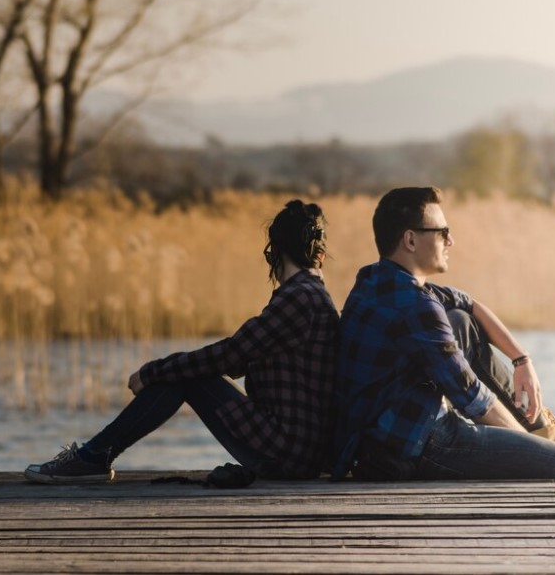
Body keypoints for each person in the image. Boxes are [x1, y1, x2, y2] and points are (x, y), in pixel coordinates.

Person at [25, 200, 339, 483]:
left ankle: (93, 456)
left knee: (185, 376)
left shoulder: (298, 299)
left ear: (275, 252)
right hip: (299, 452)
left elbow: (229, 356)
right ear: (319, 255)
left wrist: (153, 372)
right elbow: (242, 358)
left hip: (286, 454)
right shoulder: (311, 296)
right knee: (183, 371)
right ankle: (94, 456)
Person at [332, 187, 555, 510]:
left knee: (461, 319)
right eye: (442, 232)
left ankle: (540, 426)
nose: (451, 241)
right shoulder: (416, 306)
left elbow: (468, 304)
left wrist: (522, 360)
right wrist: (533, 449)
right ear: (410, 240)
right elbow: (475, 400)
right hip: (419, 445)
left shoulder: (373, 279)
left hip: (379, 437)